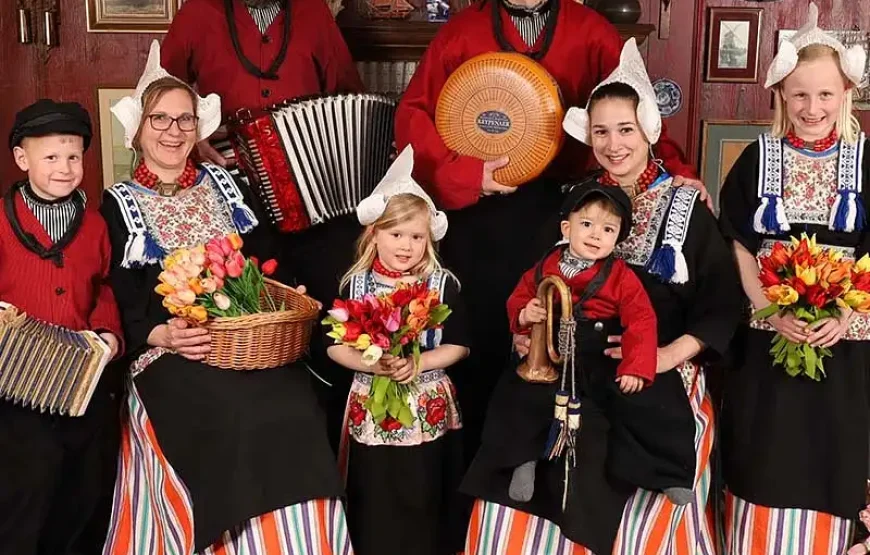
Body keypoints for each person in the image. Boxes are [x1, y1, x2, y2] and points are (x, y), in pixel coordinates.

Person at [462, 38, 741, 555]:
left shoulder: (686, 203)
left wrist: (664, 356)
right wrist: (529, 333)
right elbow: (536, 282)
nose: (615, 144)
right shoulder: (575, 203)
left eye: (626, 130)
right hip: (571, 366)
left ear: (650, 130)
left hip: (649, 372)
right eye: (602, 132)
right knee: (519, 426)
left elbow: (722, 305)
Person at [394, 0, 704, 459]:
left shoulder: (592, 32)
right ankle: (481, 474)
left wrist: (677, 170)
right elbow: (413, 116)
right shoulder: (459, 34)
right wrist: (466, 177)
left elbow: (635, 110)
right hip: (480, 219)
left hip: (567, 211)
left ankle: (546, 459)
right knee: (482, 342)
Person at [100, 41, 352, 554]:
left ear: (199, 127)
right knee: (235, 415)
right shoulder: (117, 203)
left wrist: (280, 298)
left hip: (248, 341)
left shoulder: (227, 185)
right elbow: (116, 295)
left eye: (185, 120)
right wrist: (161, 332)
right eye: (160, 120)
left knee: (297, 406)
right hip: (175, 348)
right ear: (138, 130)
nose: (174, 132)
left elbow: (267, 258)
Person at [161, 0, 366, 453]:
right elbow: (159, 94)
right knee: (252, 314)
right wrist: (193, 138)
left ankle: (332, 450)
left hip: (320, 195)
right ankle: (266, 450)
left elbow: (348, 95)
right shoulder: (197, 13)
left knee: (333, 314)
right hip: (236, 198)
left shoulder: (313, 13)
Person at [718, 5, 870, 553]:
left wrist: (848, 312)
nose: (813, 108)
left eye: (825, 94)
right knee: (765, 455)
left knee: (836, 455)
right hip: (769, 341)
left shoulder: (865, 159)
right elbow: (735, 240)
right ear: (781, 93)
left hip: (845, 351)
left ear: (845, 93)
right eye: (800, 94)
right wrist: (767, 309)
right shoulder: (757, 158)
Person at [500, 180, 695, 514]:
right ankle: (524, 460)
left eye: (607, 229)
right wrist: (525, 312)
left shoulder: (621, 276)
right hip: (554, 351)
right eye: (586, 225)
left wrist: (636, 365)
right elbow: (519, 298)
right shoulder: (545, 266)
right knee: (520, 396)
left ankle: (668, 472)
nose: (595, 235)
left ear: (618, 237)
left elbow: (642, 320)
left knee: (650, 403)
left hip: (600, 352)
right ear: (567, 227)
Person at [325, 145, 471, 555]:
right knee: (375, 489)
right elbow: (335, 347)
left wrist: (416, 362)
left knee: (422, 489)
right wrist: (369, 364)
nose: (407, 245)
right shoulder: (354, 286)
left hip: (428, 405)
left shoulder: (443, 285)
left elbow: (459, 346)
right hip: (371, 405)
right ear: (374, 234)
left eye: (416, 236)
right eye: (396, 234)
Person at [0, 99, 123, 555]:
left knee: (85, 487)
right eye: (50, 157)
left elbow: (105, 286)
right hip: (14, 389)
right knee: (26, 488)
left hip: (80, 381)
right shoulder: (0, 221)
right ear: (22, 158)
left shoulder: (93, 225)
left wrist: (108, 330)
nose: (64, 167)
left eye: (73, 157)